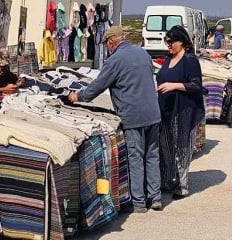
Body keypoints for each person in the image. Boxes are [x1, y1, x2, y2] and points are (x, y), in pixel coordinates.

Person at [69, 25, 163, 211]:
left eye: (107, 45)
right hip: (153, 113)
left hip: (132, 116)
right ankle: (156, 197)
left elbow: (96, 87)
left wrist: (76, 97)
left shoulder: (115, 60)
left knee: (135, 158)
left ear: (112, 43)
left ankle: (138, 202)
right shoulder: (143, 54)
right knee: (152, 156)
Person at [155, 25, 204, 200]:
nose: (168, 44)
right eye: (166, 41)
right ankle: (169, 180)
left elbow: (196, 85)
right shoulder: (169, 59)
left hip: (183, 109)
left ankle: (183, 185)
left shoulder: (189, 60)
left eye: (171, 41)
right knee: (166, 147)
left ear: (181, 42)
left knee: (182, 146)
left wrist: (174, 86)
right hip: (166, 109)